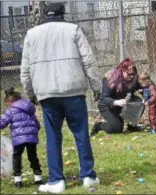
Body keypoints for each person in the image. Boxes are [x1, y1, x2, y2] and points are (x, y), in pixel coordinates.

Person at [20, 2, 101, 194]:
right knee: (81, 134)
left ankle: (56, 180)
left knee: (53, 137)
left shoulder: (32, 34)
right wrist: (96, 86)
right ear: (63, 13)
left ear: (44, 14)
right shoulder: (73, 30)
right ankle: (88, 176)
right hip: (73, 90)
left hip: (47, 94)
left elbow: (25, 69)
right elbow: (88, 60)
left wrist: (30, 93)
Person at [0, 87, 42, 188]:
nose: (8, 105)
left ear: (10, 100)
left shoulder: (11, 111)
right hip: (31, 138)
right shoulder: (29, 108)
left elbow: (2, 123)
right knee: (33, 156)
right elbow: (37, 125)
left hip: (18, 139)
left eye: (7, 103)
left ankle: (18, 181)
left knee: (17, 157)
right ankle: (38, 178)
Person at [90, 58, 143, 136]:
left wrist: (150, 94)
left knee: (139, 102)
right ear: (122, 70)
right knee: (116, 128)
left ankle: (131, 125)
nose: (131, 76)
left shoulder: (134, 77)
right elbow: (104, 98)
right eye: (129, 74)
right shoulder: (110, 78)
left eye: (133, 74)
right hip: (108, 105)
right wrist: (116, 102)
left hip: (124, 102)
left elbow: (142, 87)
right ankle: (98, 126)